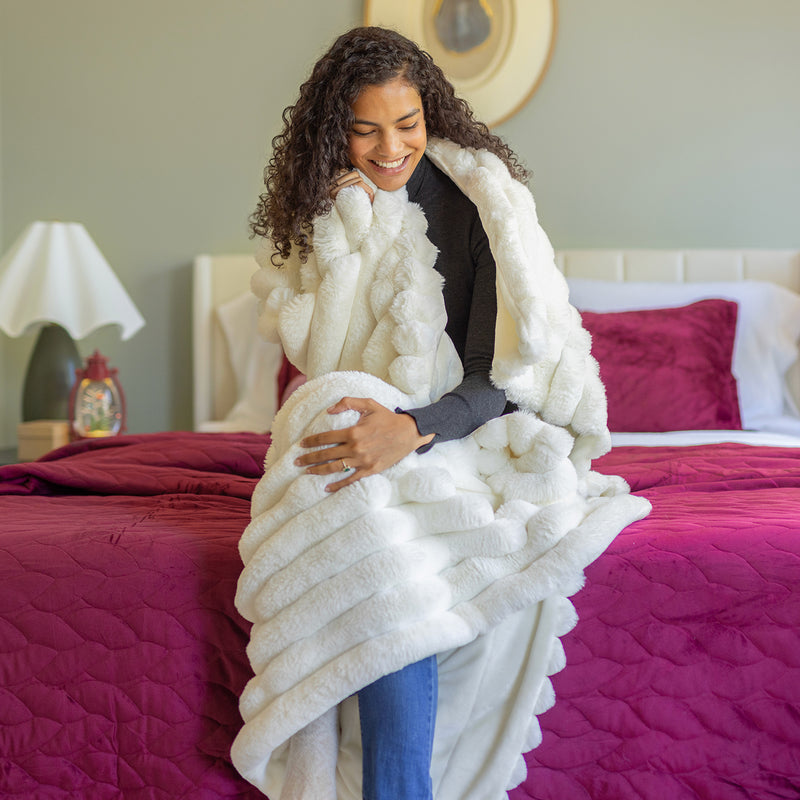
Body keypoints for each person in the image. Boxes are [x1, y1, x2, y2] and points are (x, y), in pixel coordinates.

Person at [233, 24, 649, 800]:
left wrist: (412, 429)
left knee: (375, 533)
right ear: (336, 133)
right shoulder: (325, 215)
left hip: (476, 426)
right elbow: (322, 361)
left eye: (408, 125)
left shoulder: (485, 208)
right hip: (364, 412)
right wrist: (348, 241)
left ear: (432, 115)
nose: (390, 148)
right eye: (365, 131)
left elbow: (505, 379)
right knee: (340, 455)